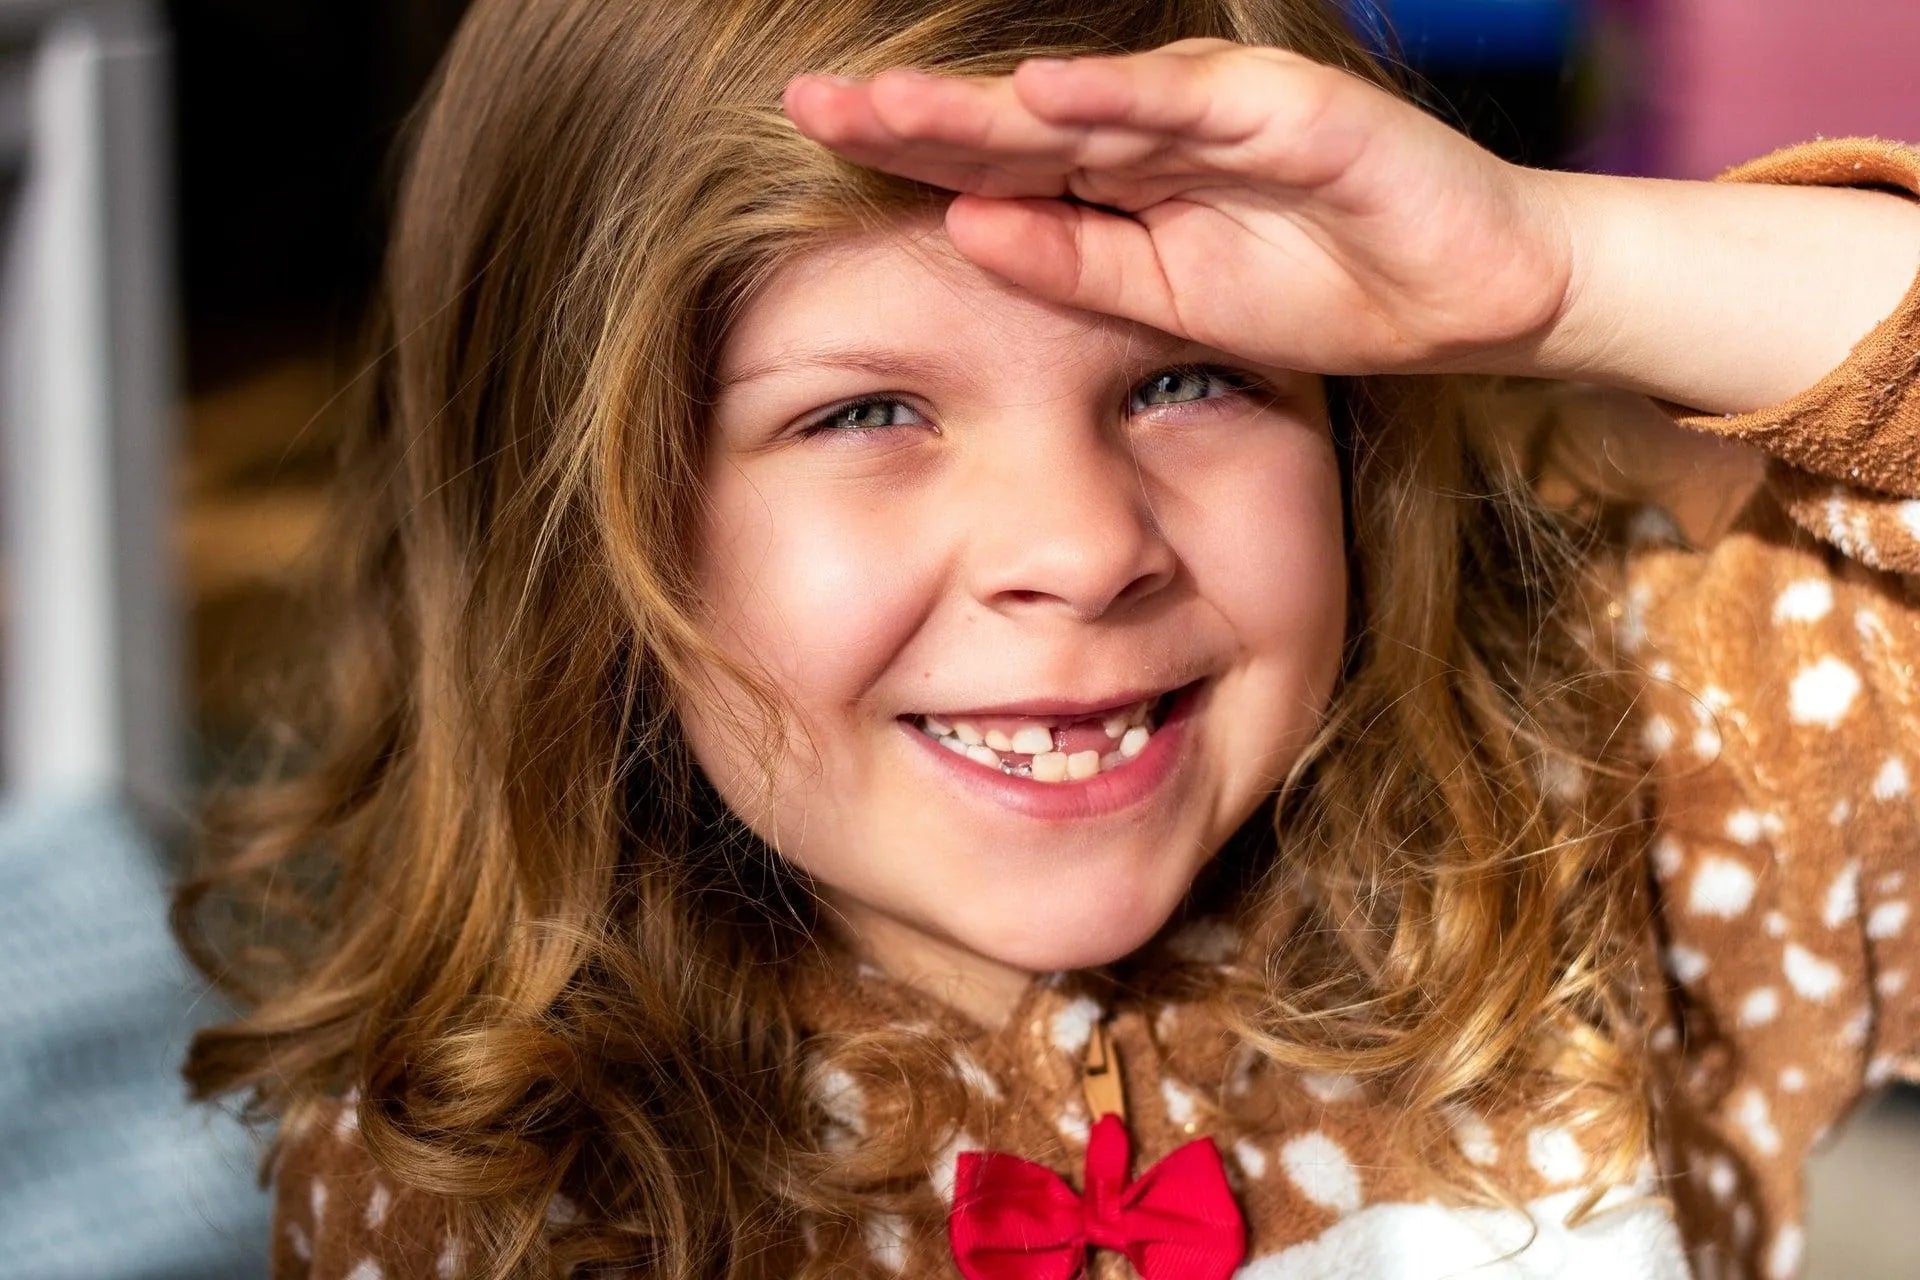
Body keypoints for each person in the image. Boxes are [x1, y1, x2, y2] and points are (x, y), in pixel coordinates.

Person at [170, 0, 1920, 1277]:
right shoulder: (468, 1185)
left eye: (1184, 379)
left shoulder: (1633, 802)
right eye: (865, 413)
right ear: (576, 541)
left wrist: (1555, 268)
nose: (1081, 550)